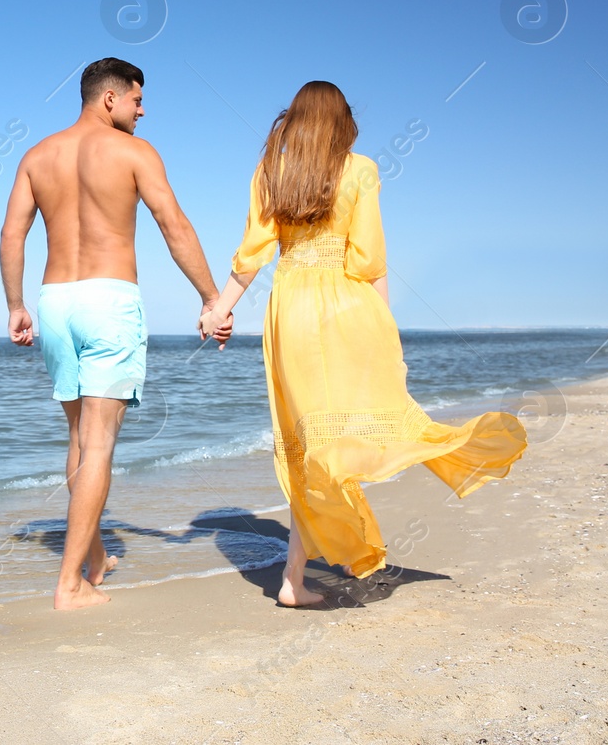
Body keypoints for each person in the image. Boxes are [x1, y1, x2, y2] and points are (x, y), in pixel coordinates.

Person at [201, 81, 527, 606]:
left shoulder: (271, 171)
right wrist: (387, 333)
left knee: (307, 440)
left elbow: (251, 254)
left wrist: (220, 307)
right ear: (340, 121)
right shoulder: (361, 169)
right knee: (338, 438)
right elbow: (370, 260)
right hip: (348, 304)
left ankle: (296, 576)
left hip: (290, 309)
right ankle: (298, 574)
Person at [1, 58, 233, 610]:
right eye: (137, 100)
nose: (142, 110)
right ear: (110, 99)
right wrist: (210, 298)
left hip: (54, 301)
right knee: (100, 444)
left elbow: (13, 233)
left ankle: (96, 557)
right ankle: (68, 586)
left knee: (81, 439)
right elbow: (173, 225)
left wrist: (14, 305)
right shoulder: (134, 153)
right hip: (109, 299)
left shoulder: (37, 156)